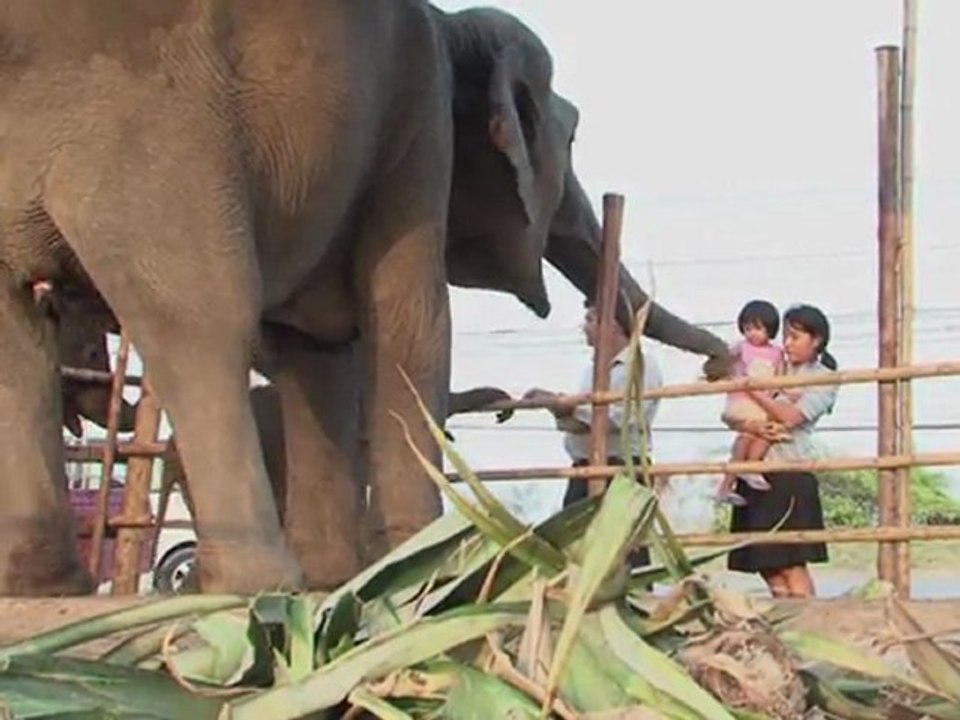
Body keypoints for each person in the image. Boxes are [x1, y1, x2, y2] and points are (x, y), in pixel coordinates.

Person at [522, 301, 663, 567]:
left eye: (590, 319)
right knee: (576, 547)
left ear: (613, 325)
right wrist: (558, 407)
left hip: (621, 469)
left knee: (624, 549)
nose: (583, 326)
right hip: (586, 466)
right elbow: (583, 421)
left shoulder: (640, 366)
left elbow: (615, 418)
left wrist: (563, 405)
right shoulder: (595, 368)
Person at [725, 304, 838, 598]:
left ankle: (806, 617)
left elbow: (791, 417)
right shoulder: (772, 364)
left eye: (796, 337)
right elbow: (732, 411)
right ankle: (786, 613)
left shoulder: (824, 378)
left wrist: (753, 390)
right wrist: (751, 422)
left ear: (817, 340)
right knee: (765, 563)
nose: (787, 343)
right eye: (786, 336)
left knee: (790, 564)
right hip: (755, 472)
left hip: (789, 474)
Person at [716, 299, 790, 506]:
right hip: (742, 401)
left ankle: (728, 484)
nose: (751, 334)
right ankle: (748, 469)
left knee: (756, 436)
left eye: (757, 328)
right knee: (751, 435)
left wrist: (774, 393)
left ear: (770, 329)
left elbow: (780, 376)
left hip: (761, 403)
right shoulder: (741, 347)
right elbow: (724, 359)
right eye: (747, 328)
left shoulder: (777, 353)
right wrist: (730, 374)